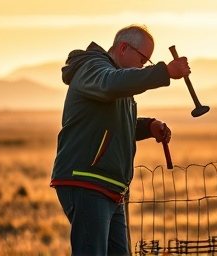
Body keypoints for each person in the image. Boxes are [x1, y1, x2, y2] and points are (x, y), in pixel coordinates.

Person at [50, 24, 191, 255]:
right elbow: (110, 83)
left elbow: (112, 127)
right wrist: (164, 72)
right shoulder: (93, 68)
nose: (144, 66)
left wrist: (148, 126)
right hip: (87, 181)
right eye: (144, 59)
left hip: (111, 187)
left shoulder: (117, 83)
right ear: (124, 48)